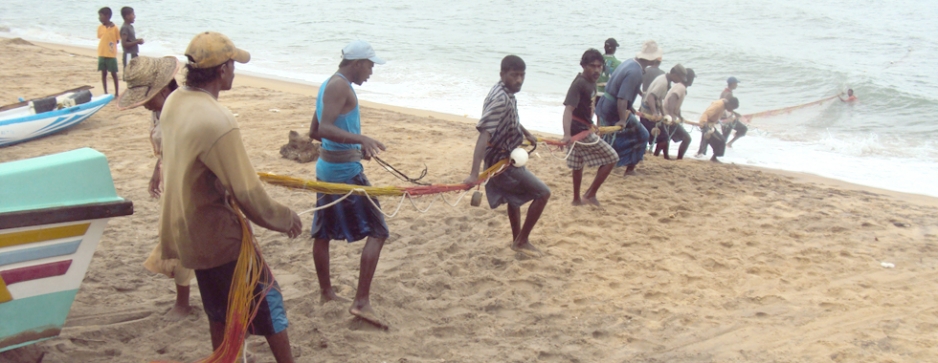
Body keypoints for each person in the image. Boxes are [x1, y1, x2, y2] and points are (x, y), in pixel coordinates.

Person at [159, 32, 302, 363]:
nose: (236, 70)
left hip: (188, 232)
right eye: (234, 64)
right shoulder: (218, 121)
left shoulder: (174, 102)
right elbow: (247, 192)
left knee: (219, 310)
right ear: (222, 70)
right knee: (269, 302)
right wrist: (283, 218)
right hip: (219, 237)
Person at [306, 40, 390, 329]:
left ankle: (327, 292)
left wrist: (355, 148)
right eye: (370, 65)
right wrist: (360, 140)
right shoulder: (339, 87)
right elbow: (325, 129)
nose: (371, 71)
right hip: (343, 173)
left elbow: (314, 131)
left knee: (323, 232)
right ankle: (361, 302)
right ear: (357, 63)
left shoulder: (328, 84)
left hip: (328, 167)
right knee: (379, 230)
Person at [116, 56, 193, 321]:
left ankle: (183, 303)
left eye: (146, 98)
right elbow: (165, 149)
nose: (144, 105)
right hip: (172, 179)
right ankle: (184, 300)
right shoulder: (160, 110)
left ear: (162, 91)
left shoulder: (185, 111)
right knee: (175, 240)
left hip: (189, 185)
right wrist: (156, 172)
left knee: (183, 241)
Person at [464, 55, 551, 255]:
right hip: (501, 161)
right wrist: (474, 173)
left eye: (522, 75)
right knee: (543, 193)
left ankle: (517, 239)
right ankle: (522, 241)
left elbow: (510, 116)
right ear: (502, 74)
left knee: (514, 199)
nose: (519, 80)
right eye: (514, 75)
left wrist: (526, 132)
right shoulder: (500, 98)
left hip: (510, 155)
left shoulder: (505, 91)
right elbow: (484, 134)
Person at [561, 49, 618, 206]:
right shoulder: (579, 84)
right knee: (612, 157)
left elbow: (587, 108)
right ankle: (590, 194)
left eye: (599, 66)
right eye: (592, 66)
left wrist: (592, 124)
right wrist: (567, 134)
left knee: (578, 164)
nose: (597, 70)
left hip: (584, 127)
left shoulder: (592, 83)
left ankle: (576, 199)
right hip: (578, 131)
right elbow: (568, 110)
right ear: (583, 66)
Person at [596, 40, 661, 175]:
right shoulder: (635, 72)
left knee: (609, 137)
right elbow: (622, 98)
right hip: (612, 107)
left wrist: (630, 109)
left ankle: (606, 161)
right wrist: (622, 120)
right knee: (643, 135)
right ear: (652, 59)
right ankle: (629, 169)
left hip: (604, 103)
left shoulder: (629, 62)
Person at [641, 64, 687, 159]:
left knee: (662, 137)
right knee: (663, 138)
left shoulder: (664, 79)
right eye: (680, 77)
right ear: (674, 74)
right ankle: (656, 156)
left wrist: (663, 114)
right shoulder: (663, 83)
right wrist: (654, 113)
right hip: (648, 114)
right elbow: (651, 97)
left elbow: (658, 100)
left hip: (651, 112)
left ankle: (661, 156)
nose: (680, 80)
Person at [659, 68, 695, 159]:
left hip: (667, 116)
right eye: (692, 78)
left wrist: (679, 116)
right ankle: (679, 158)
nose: (693, 81)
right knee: (687, 138)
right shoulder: (681, 88)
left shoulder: (679, 86)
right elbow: (672, 99)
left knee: (666, 138)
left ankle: (661, 155)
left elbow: (676, 104)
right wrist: (671, 116)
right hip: (668, 117)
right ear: (688, 78)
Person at [691, 96, 739, 163]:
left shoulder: (724, 104)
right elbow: (706, 113)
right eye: (732, 108)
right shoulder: (719, 105)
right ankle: (713, 158)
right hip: (706, 124)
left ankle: (700, 155)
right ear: (729, 104)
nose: (731, 110)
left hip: (710, 124)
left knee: (705, 142)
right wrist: (704, 125)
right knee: (721, 140)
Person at [96, 7, 120, 97]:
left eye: (101, 16)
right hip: (102, 53)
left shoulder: (115, 28)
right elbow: (100, 37)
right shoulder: (100, 27)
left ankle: (116, 93)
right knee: (103, 73)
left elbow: (117, 40)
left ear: (107, 16)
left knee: (114, 73)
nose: (99, 18)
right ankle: (105, 92)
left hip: (111, 54)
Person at [596, 38, 621, 103]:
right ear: (614, 49)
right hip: (608, 95)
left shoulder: (596, 60)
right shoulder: (618, 64)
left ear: (604, 47)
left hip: (595, 92)